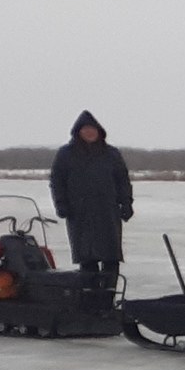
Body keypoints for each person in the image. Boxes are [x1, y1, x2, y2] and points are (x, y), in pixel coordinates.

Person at [47, 111, 131, 304]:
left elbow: (122, 180)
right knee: (87, 258)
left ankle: (107, 300)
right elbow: (57, 181)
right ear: (78, 132)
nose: (90, 133)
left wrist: (126, 203)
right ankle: (89, 300)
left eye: (93, 129)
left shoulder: (111, 154)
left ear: (99, 131)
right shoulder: (66, 154)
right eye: (86, 130)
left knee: (111, 257)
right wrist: (61, 205)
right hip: (80, 213)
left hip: (107, 212)